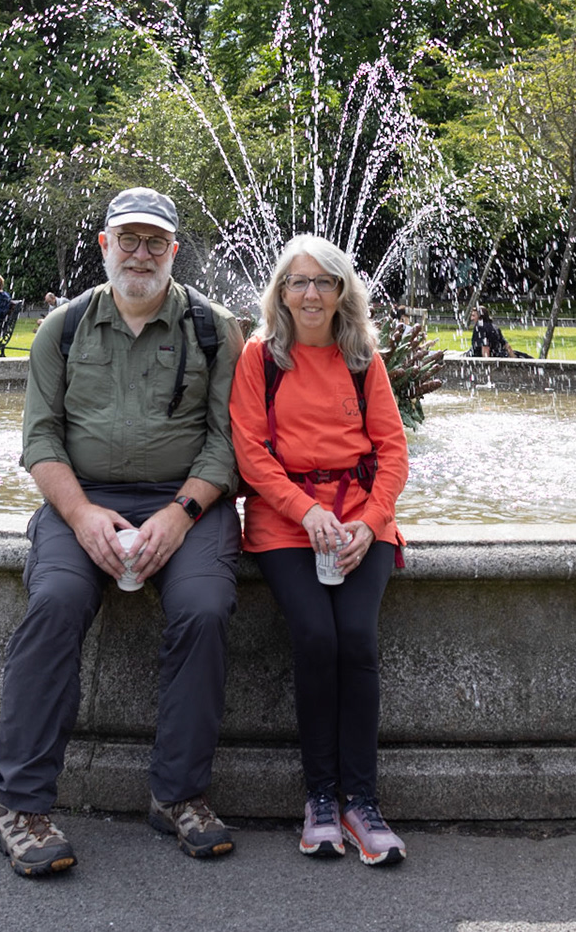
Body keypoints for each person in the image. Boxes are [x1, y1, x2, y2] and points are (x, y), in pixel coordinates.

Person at [0, 187, 242, 878]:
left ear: (174, 250)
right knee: (55, 603)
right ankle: (20, 805)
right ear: (104, 245)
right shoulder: (63, 327)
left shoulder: (215, 328)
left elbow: (228, 442)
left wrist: (180, 513)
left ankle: (179, 794)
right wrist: (80, 514)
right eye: (127, 239)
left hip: (187, 503)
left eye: (155, 241)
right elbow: (40, 439)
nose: (140, 253)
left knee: (205, 608)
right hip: (84, 498)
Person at [228, 235, 411, 865]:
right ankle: (322, 799)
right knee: (316, 637)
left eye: (324, 282)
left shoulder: (363, 359)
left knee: (356, 638)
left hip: (360, 522)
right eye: (298, 282)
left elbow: (393, 451)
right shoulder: (260, 358)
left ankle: (362, 801)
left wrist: (372, 521)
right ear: (282, 292)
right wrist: (306, 512)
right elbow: (251, 453)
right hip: (286, 522)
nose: (311, 294)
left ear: (341, 292)